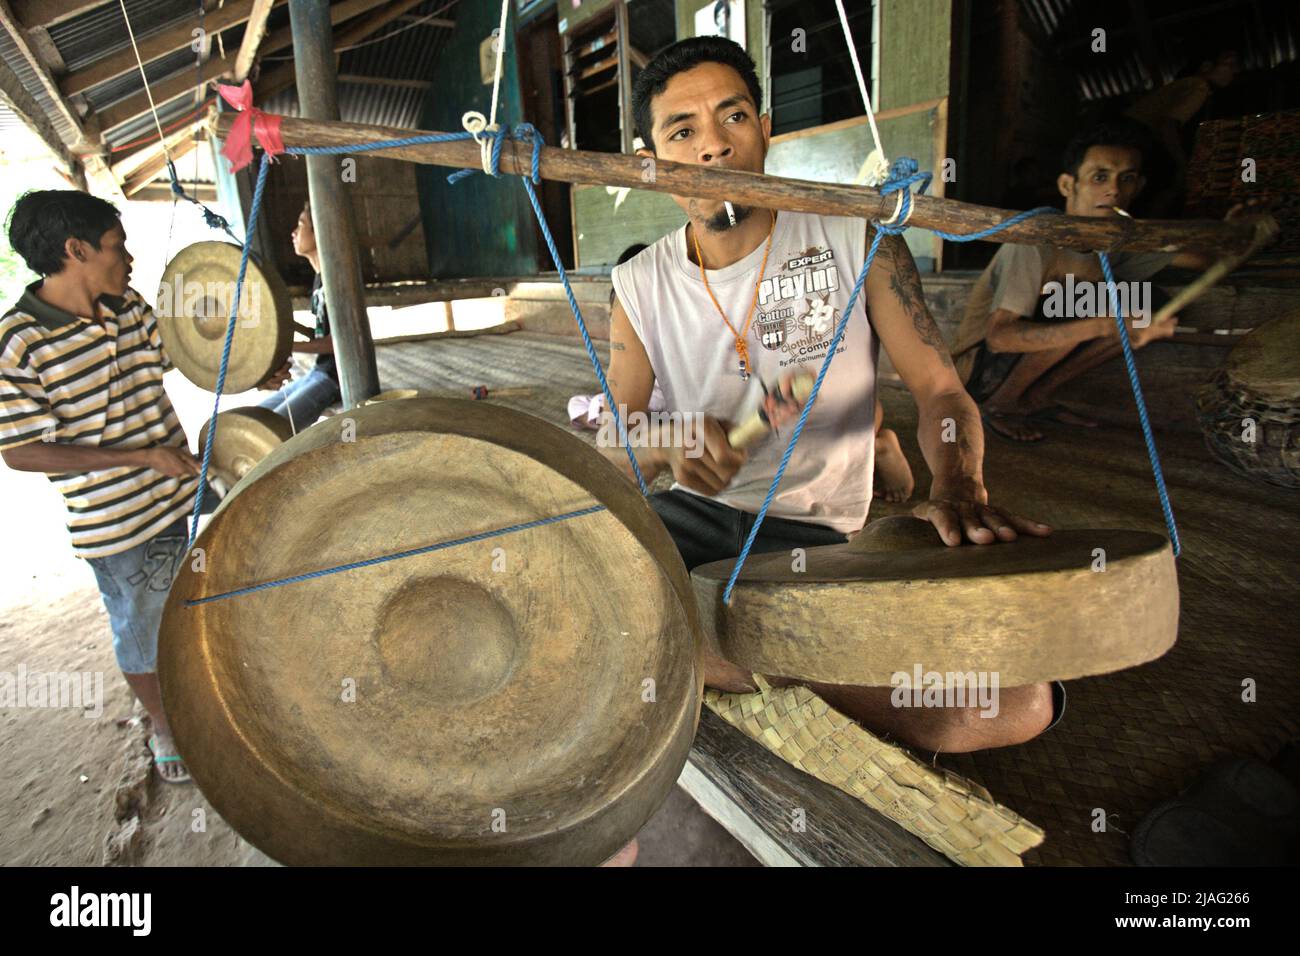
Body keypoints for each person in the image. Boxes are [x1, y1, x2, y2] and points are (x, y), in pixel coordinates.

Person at [606, 36, 1061, 759]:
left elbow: (942, 390)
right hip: (687, 522)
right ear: (649, 157)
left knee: (992, 708)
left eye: (733, 118)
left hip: (813, 539)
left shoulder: (859, 240)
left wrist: (959, 480)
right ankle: (723, 652)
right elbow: (615, 438)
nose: (713, 148)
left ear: (764, 131)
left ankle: (700, 655)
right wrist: (666, 444)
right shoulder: (639, 284)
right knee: (565, 578)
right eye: (681, 131)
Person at [0, 190, 287, 783]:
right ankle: (164, 725)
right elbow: (21, 451)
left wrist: (265, 359)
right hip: (118, 521)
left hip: (177, 489)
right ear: (74, 250)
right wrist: (140, 457)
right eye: (116, 245)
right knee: (145, 628)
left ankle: (221, 688)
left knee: (209, 587)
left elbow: (190, 354)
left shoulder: (126, 306)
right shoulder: (19, 344)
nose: (127, 258)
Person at [949, 122, 1238, 442]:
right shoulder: (1036, 240)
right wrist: (1103, 325)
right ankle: (1001, 404)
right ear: (1067, 185)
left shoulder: (1116, 240)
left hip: (1015, 360)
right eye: (1099, 177)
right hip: (977, 369)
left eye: (1126, 179)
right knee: (1080, 299)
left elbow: (1203, 260)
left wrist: (1231, 230)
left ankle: (1034, 397)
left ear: (1139, 186)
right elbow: (999, 338)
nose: (1114, 190)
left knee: (1147, 304)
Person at [1123, 48, 1239, 217]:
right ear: (1207, 66)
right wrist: (1181, 165)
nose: (1235, 70)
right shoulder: (1199, 86)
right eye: (1229, 63)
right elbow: (1168, 126)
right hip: (1135, 140)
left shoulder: (1189, 85)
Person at [258, 201, 341, 427]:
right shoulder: (319, 279)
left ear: (319, 231)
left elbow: (338, 343)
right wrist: (284, 327)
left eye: (301, 225)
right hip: (319, 371)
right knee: (254, 417)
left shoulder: (337, 280)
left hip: (336, 379)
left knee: (278, 426)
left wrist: (284, 345)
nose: (294, 232)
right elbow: (321, 334)